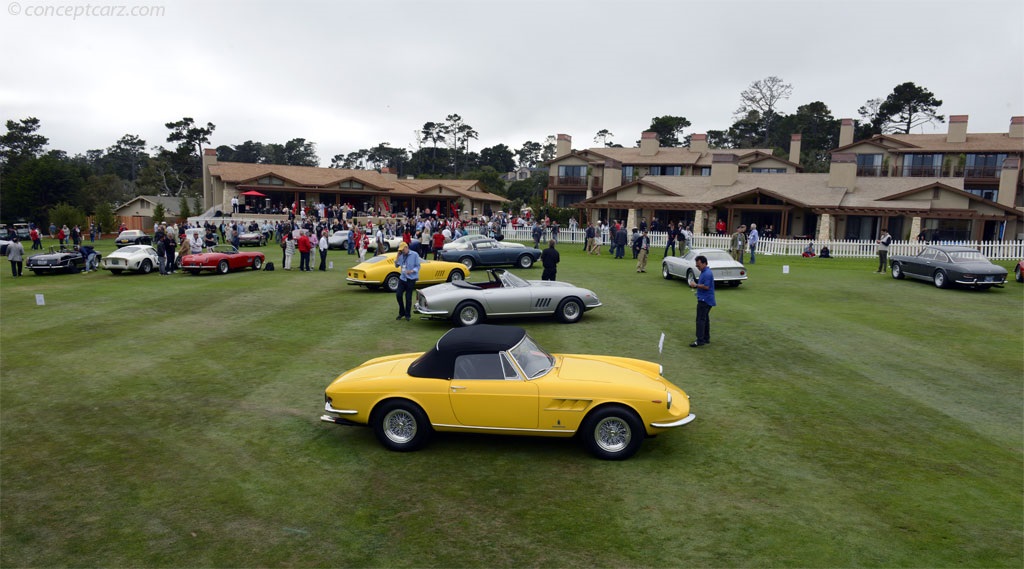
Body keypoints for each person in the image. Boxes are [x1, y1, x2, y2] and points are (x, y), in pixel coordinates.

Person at [688, 255, 715, 347]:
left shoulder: (707, 273)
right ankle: (706, 338)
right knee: (705, 319)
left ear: (704, 263)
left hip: (704, 300)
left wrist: (695, 285)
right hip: (706, 299)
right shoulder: (705, 272)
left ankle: (700, 340)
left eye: (698, 265)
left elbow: (706, 287)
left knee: (700, 320)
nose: (697, 266)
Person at [394, 242, 421, 321]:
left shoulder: (414, 254)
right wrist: (398, 256)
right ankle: (401, 312)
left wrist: (412, 271)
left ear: (406, 247)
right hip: (402, 278)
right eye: (400, 250)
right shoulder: (401, 255)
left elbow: (418, 266)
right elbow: (396, 265)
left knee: (408, 297)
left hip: (411, 279)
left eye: (403, 250)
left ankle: (407, 314)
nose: (402, 251)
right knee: (398, 295)